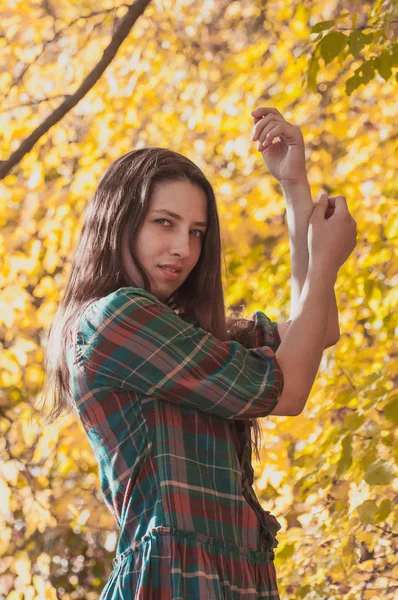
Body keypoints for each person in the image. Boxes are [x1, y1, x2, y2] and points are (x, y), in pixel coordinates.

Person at [38, 107, 357, 599]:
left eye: (196, 232)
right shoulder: (116, 319)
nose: (183, 249)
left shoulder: (185, 333)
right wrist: (326, 263)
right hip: (173, 578)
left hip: (233, 576)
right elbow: (288, 389)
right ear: (118, 222)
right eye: (164, 223)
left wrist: (294, 187)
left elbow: (316, 331)